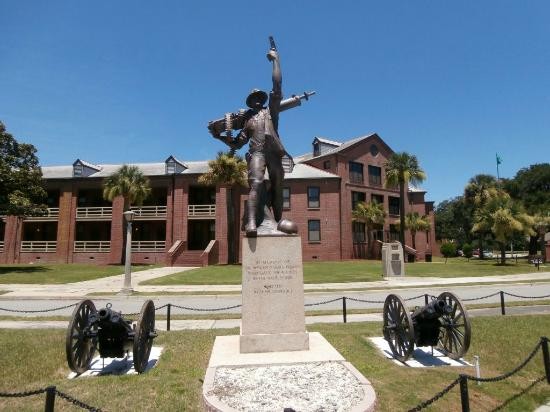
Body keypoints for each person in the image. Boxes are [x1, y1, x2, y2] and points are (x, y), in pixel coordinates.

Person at [225, 47, 288, 237]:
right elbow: (238, 144)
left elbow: (277, 86)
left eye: (260, 98)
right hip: (257, 152)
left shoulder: (271, 112)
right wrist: (225, 137)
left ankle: (277, 222)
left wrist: (275, 60)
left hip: (273, 153)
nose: (258, 101)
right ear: (250, 103)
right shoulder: (248, 122)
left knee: (278, 187)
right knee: (256, 183)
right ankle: (251, 222)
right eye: (254, 99)